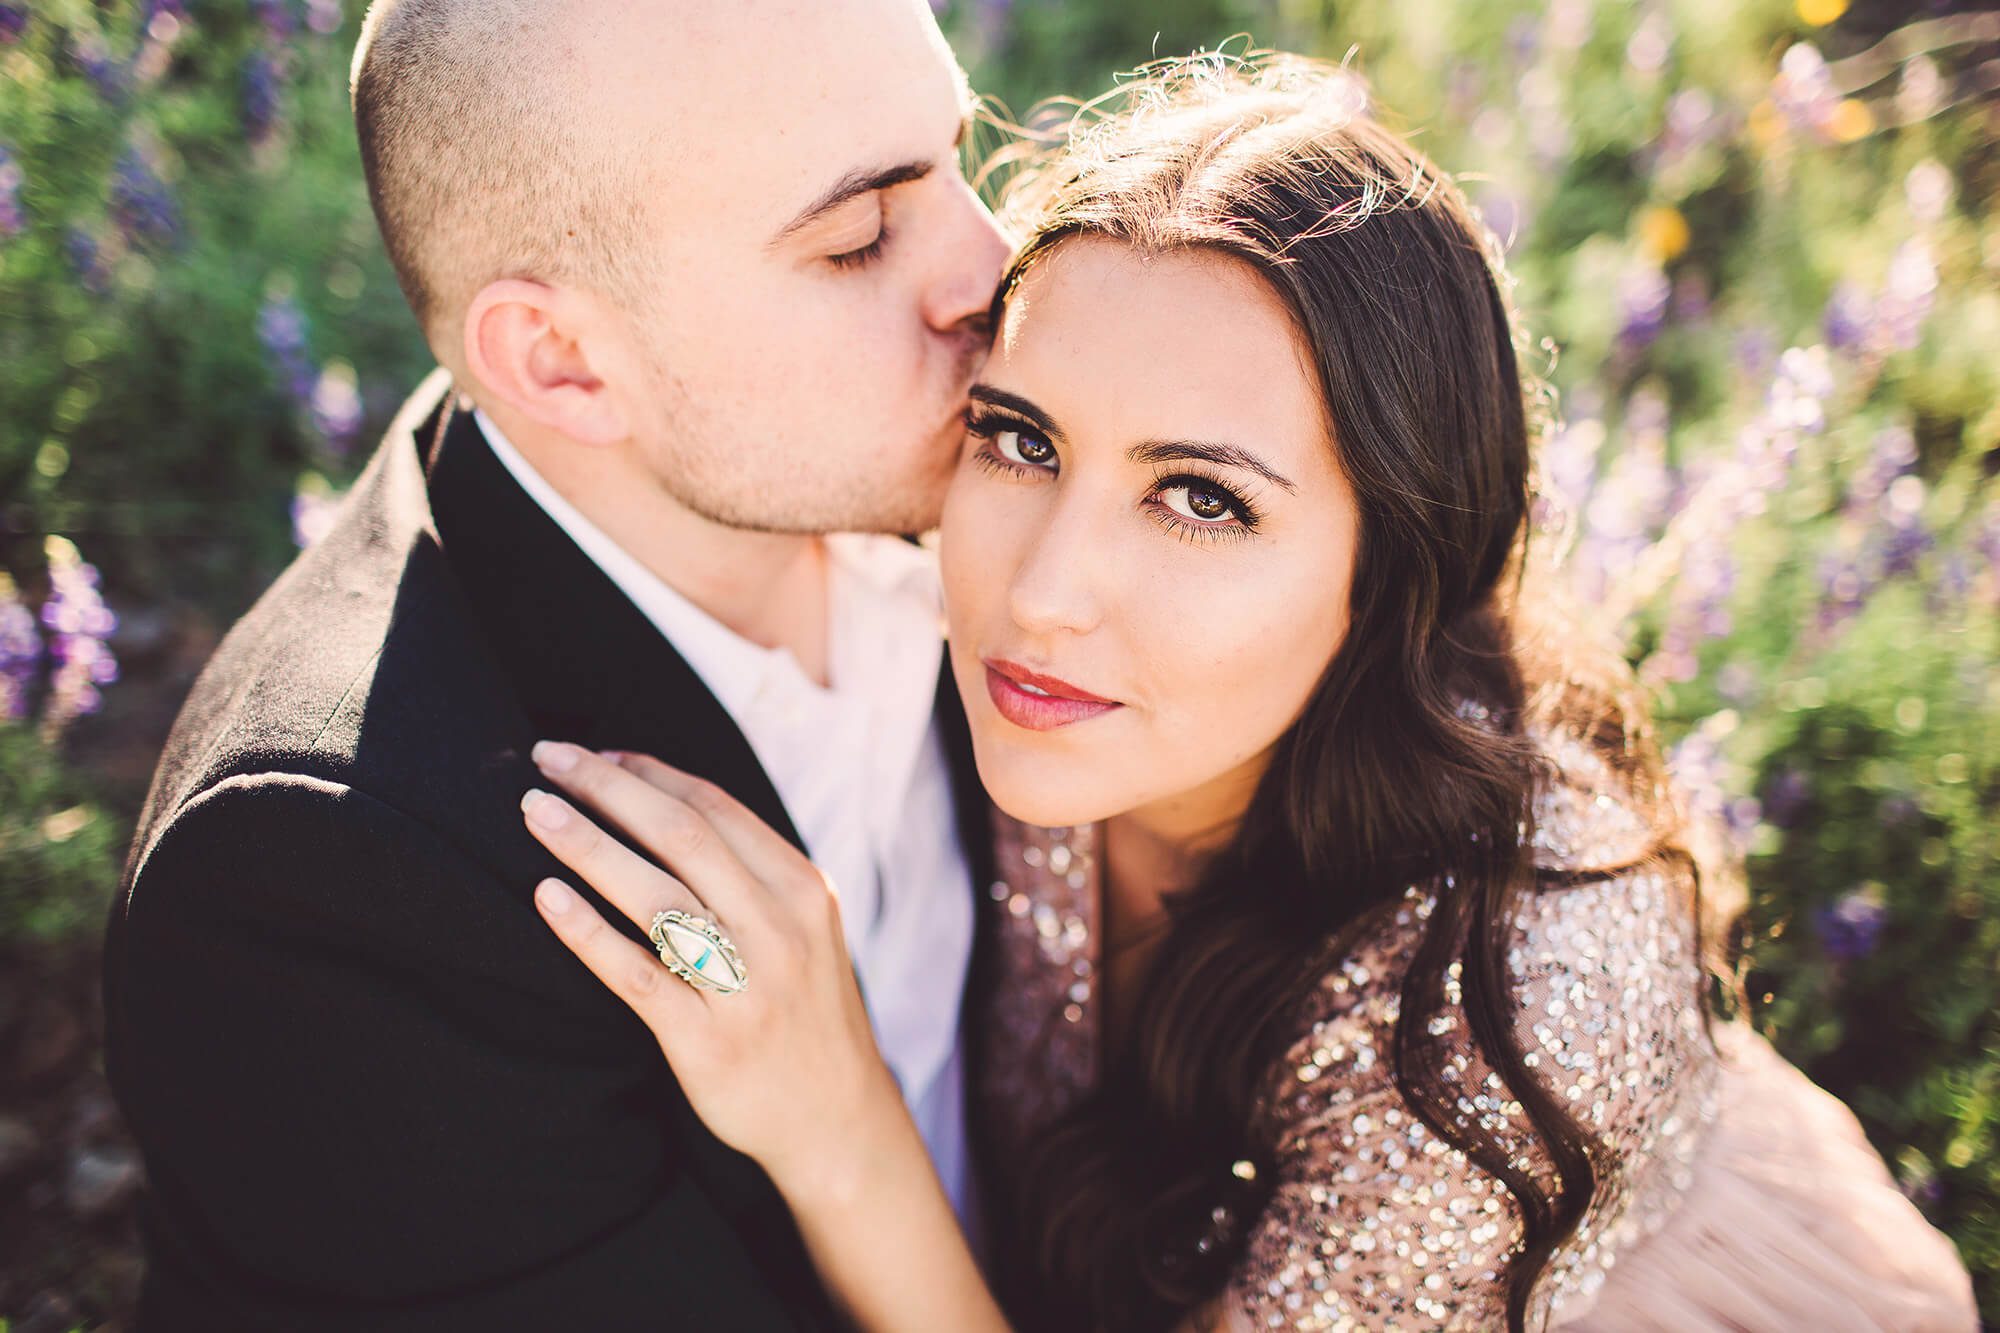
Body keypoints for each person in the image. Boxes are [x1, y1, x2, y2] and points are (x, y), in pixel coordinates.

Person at [518, 53, 1980, 1333]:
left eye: (1202, 502)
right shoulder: (1054, 670)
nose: (1040, 592)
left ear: (1393, 571)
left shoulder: (1495, 1038)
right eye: (1022, 440)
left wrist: (837, 1125)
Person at [99, 0, 1010, 1327]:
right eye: (861, 238)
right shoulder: (329, 890)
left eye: (959, 157)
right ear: (562, 362)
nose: (990, 265)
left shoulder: (976, 482)